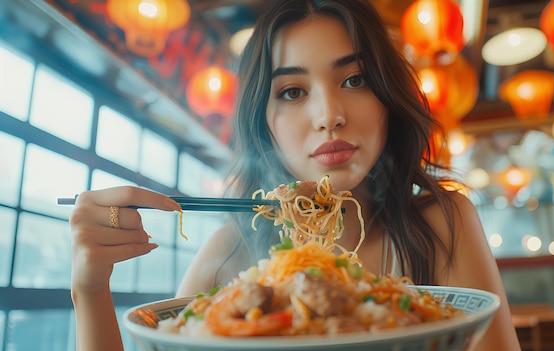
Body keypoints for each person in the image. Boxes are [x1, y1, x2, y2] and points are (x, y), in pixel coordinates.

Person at [69, 0, 521, 350]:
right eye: (291, 91)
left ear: (387, 95)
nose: (328, 115)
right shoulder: (231, 252)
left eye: (355, 80)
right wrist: (90, 290)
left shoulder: (443, 223)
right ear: (262, 122)